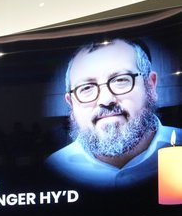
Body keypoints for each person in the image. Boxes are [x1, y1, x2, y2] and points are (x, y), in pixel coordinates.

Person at [46, 38, 182, 190]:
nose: (106, 100)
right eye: (86, 88)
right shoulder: (53, 165)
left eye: (120, 80)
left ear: (150, 85)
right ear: (71, 104)